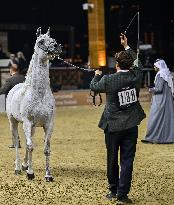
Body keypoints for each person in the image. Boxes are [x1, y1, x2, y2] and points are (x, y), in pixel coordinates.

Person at [90, 34, 146, 204]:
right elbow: (138, 64)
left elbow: (94, 86)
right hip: (131, 124)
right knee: (127, 160)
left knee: (112, 158)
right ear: (129, 65)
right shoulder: (136, 76)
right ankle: (123, 194)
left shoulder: (108, 80)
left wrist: (97, 74)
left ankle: (113, 190)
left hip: (113, 125)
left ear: (117, 65)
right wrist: (127, 47)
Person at [141, 59, 174, 144]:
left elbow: (158, 89)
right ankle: (166, 138)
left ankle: (151, 137)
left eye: (155, 66)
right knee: (165, 119)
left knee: (154, 118)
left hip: (160, 100)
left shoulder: (160, 75)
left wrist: (150, 89)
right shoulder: (167, 73)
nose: (154, 67)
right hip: (167, 100)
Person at [0, 63, 25, 148]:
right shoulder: (24, 78)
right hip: (24, 104)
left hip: (13, 105)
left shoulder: (10, 80)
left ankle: (16, 143)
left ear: (11, 70)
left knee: (13, 124)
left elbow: (3, 90)